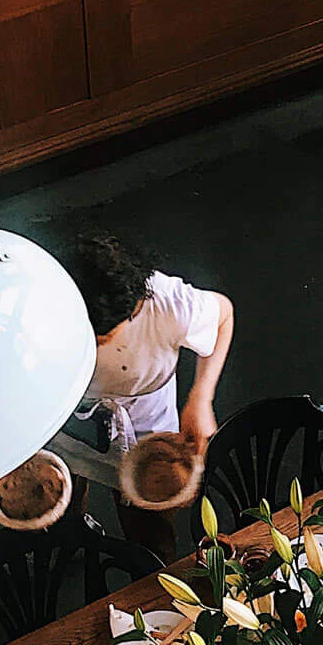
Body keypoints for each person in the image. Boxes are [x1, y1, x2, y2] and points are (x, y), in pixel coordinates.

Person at [50, 231, 235, 561]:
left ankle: (150, 572)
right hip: (70, 417)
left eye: (101, 338)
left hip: (143, 427)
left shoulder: (170, 306)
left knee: (150, 528)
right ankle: (74, 539)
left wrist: (201, 397)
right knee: (63, 500)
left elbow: (224, 315)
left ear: (134, 310)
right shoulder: (47, 304)